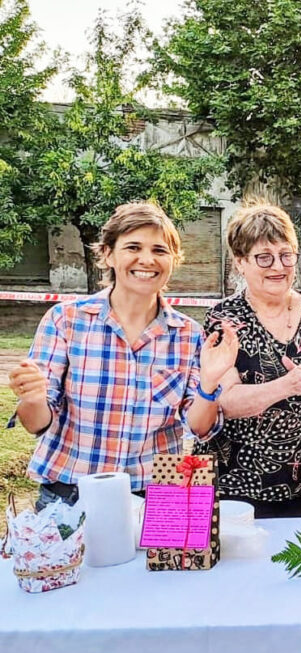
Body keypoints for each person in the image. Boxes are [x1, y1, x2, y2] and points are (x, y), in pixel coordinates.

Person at [8, 202, 238, 510]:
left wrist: (209, 385)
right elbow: (35, 423)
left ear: (173, 260)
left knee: (163, 562)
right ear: (107, 254)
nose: (147, 259)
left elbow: (199, 428)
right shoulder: (65, 320)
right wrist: (34, 397)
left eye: (160, 250)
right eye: (133, 247)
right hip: (71, 493)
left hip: (157, 494)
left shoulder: (188, 334)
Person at [196, 203, 301, 518]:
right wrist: (289, 385)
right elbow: (226, 400)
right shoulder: (224, 318)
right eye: (264, 257)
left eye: (286, 255)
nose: (277, 266)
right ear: (240, 263)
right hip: (239, 484)